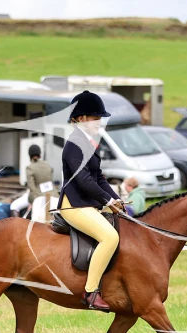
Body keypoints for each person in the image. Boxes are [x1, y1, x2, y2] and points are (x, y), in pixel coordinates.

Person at [59, 90, 123, 311]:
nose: (99, 122)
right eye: (95, 117)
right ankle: (91, 292)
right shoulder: (74, 144)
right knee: (109, 237)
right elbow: (84, 181)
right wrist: (107, 201)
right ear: (80, 118)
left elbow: (98, 178)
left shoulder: (88, 142)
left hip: (87, 204)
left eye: (100, 118)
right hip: (74, 205)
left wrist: (117, 199)